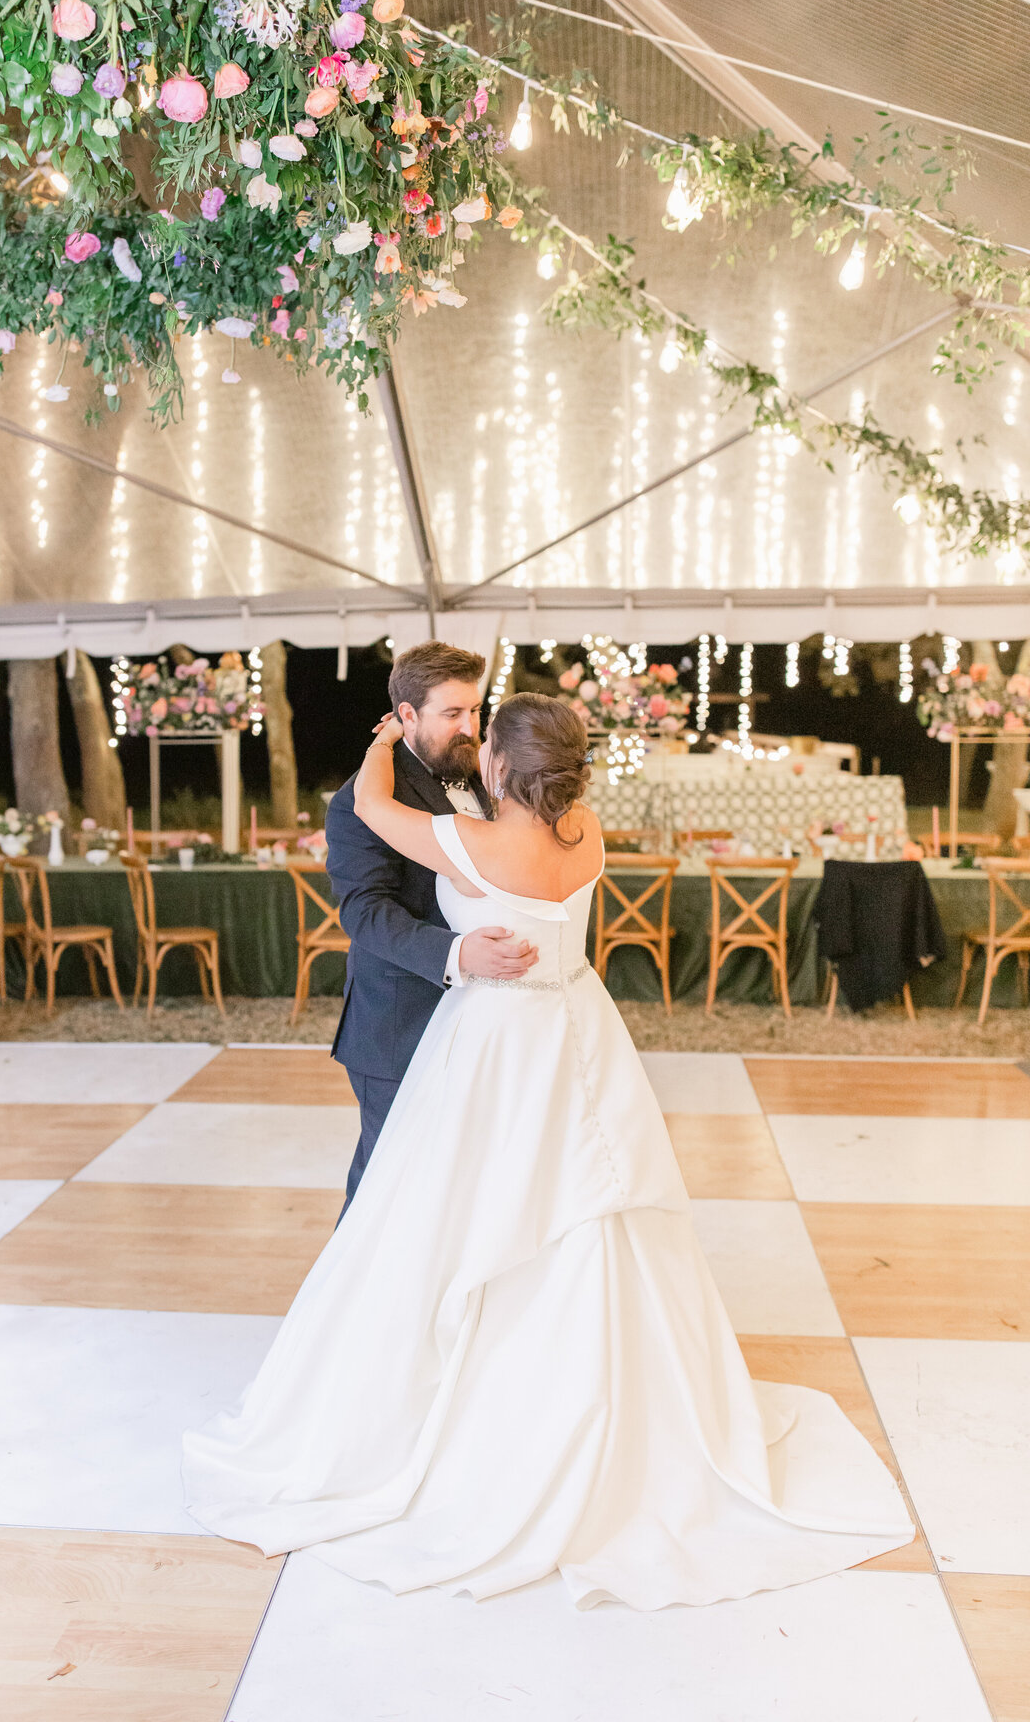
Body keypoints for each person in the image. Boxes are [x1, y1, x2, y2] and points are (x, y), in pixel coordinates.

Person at [182, 691, 914, 1610]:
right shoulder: (587, 832)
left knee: (467, 1210)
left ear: (503, 768)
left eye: (487, 739)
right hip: (577, 1026)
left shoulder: (480, 844)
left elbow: (373, 808)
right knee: (586, 1212)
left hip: (495, 1042)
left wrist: (381, 738)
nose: (476, 746)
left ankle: (475, 1408)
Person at [323, 641, 540, 1210]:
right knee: (387, 1190)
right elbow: (364, 912)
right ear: (406, 716)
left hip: (481, 1025)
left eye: (474, 710)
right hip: (400, 1026)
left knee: (460, 1188)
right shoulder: (363, 800)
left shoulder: (481, 777)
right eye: (452, 714)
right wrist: (457, 954)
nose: (470, 727)